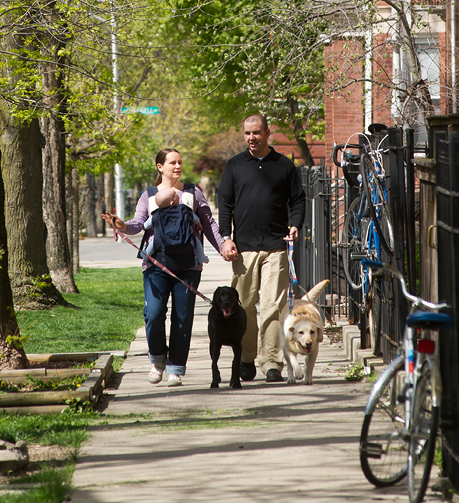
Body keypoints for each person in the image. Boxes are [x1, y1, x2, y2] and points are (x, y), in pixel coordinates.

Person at [103, 148, 224, 386]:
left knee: (182, 317)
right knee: (154, 314)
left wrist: (223, 247)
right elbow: (138, 224)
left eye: (180, 162)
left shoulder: (193, 192)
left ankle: (176, 368)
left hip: (188, 265)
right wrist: (121, 225)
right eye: (172, 163)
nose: (178, 166)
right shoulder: (148, 195)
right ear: (160, 167)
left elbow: (209, 223)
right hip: (156, 264)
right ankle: (158, 360)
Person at [217, 114, 306, 383]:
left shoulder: (284, 166)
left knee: (271, 306)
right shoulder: (234, 165)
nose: (251, 138)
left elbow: (298, 200)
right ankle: (245, 359)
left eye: (256, 133)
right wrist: (225, 237)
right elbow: (225, 204)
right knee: (242, 306)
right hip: (243, 249)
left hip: (275, 247)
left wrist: (295, 224)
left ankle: (271, 363)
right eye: (247, 133)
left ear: (268, 133)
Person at [142, 186, 209, 265]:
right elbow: (194, 217)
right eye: (175, 195)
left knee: (154, 243)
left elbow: (147, 224)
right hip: (184, 236)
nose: (177, 195)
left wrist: (144, 227)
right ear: (172, 203)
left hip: (163, 238)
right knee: (197, 243)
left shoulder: (157, 214)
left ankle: (146, 255)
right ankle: (201, 257)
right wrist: (199, 224)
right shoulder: (184, 209)